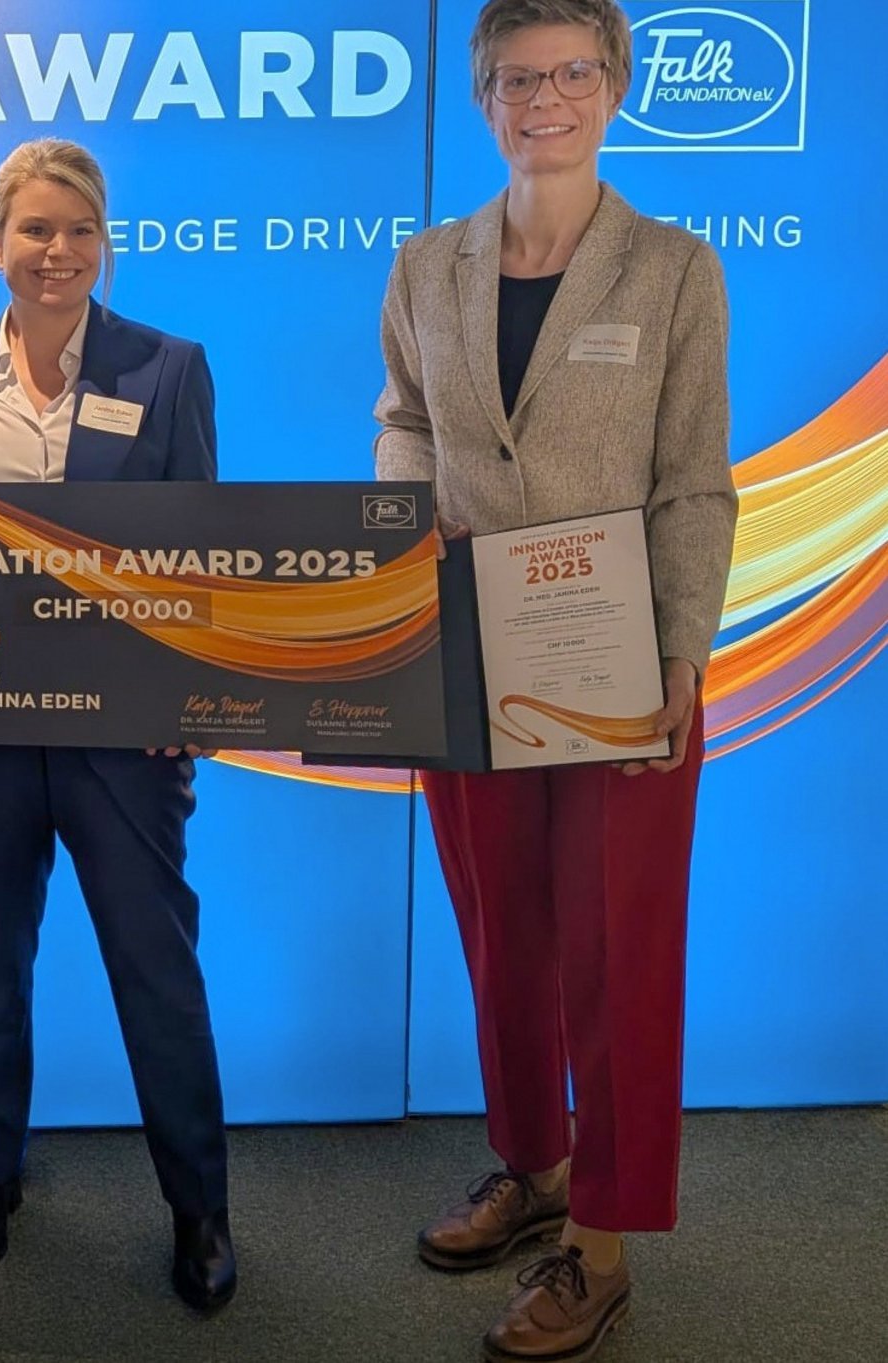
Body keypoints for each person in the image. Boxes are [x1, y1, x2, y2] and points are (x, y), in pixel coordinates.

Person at [372, 2, 737, 1358]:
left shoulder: (674, 269)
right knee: (502, 931)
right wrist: (408, 523)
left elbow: (692, 478)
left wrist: (681, 652)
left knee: (616, 949)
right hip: (465, 648)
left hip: (616, 656)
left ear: (614, 86)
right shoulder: (426, 265)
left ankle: (603, 1238)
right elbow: (404, 420)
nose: (545, 99)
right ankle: (532, 1164)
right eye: (518, 78)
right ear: (483, 100)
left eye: (573, 72)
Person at [0, 137, 235, 1316]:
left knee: (156, 970)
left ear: (104, 242)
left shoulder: (167, 367)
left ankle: (199, 1206)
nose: (58, 251)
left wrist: (186, 706)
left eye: (79, 229)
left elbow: (198, 555)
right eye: (35, 229)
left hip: (123, 745)